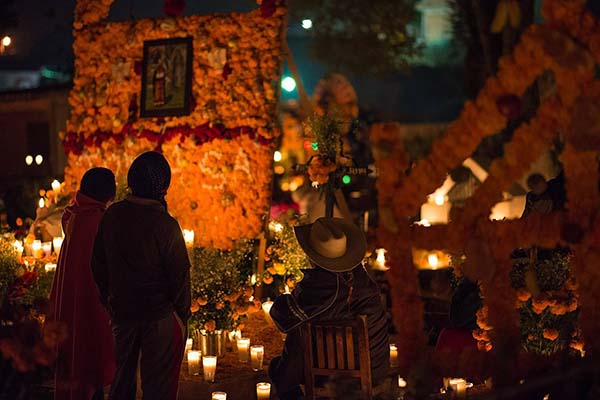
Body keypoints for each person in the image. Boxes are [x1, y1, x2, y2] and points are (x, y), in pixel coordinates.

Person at [91, 152, 191, 400]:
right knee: (158, 388)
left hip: (122, 315)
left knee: (121, 383)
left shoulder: (112, 215)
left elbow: (98, 265)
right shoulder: (165, 225)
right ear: (163, 186)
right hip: (159, 318)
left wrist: (110, 301)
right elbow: (179, 277)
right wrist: (181, 315)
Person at [269, 217, 389, 400]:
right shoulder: (362, 278)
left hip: (338, 377)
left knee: (293, 342)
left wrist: (291, 296)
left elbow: (282, 316)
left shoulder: (322, 285)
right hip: (376, 370)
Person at [49, 167, 117, 400]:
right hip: (93, 303)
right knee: (92, 357)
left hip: (75, 299)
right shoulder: (98, 221)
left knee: (79, 358)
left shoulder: (74, 215)